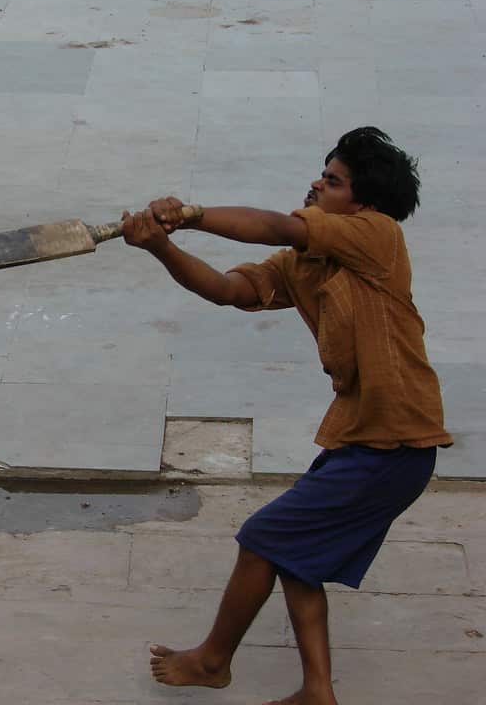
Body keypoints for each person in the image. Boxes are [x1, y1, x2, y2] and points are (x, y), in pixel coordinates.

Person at [121, 127, 452, 705]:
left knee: (263, 539)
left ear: (363, 204)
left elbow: (276, 223)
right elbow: (228, 290)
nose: (316, 185)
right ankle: (317, 692)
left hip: (395, 442)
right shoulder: (305, 264)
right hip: (360, 439)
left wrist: (190, 214)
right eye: (321, 175)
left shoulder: (378, 236)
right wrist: (160, 247)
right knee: (297, 558)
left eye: (332, 181)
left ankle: (212, 660)